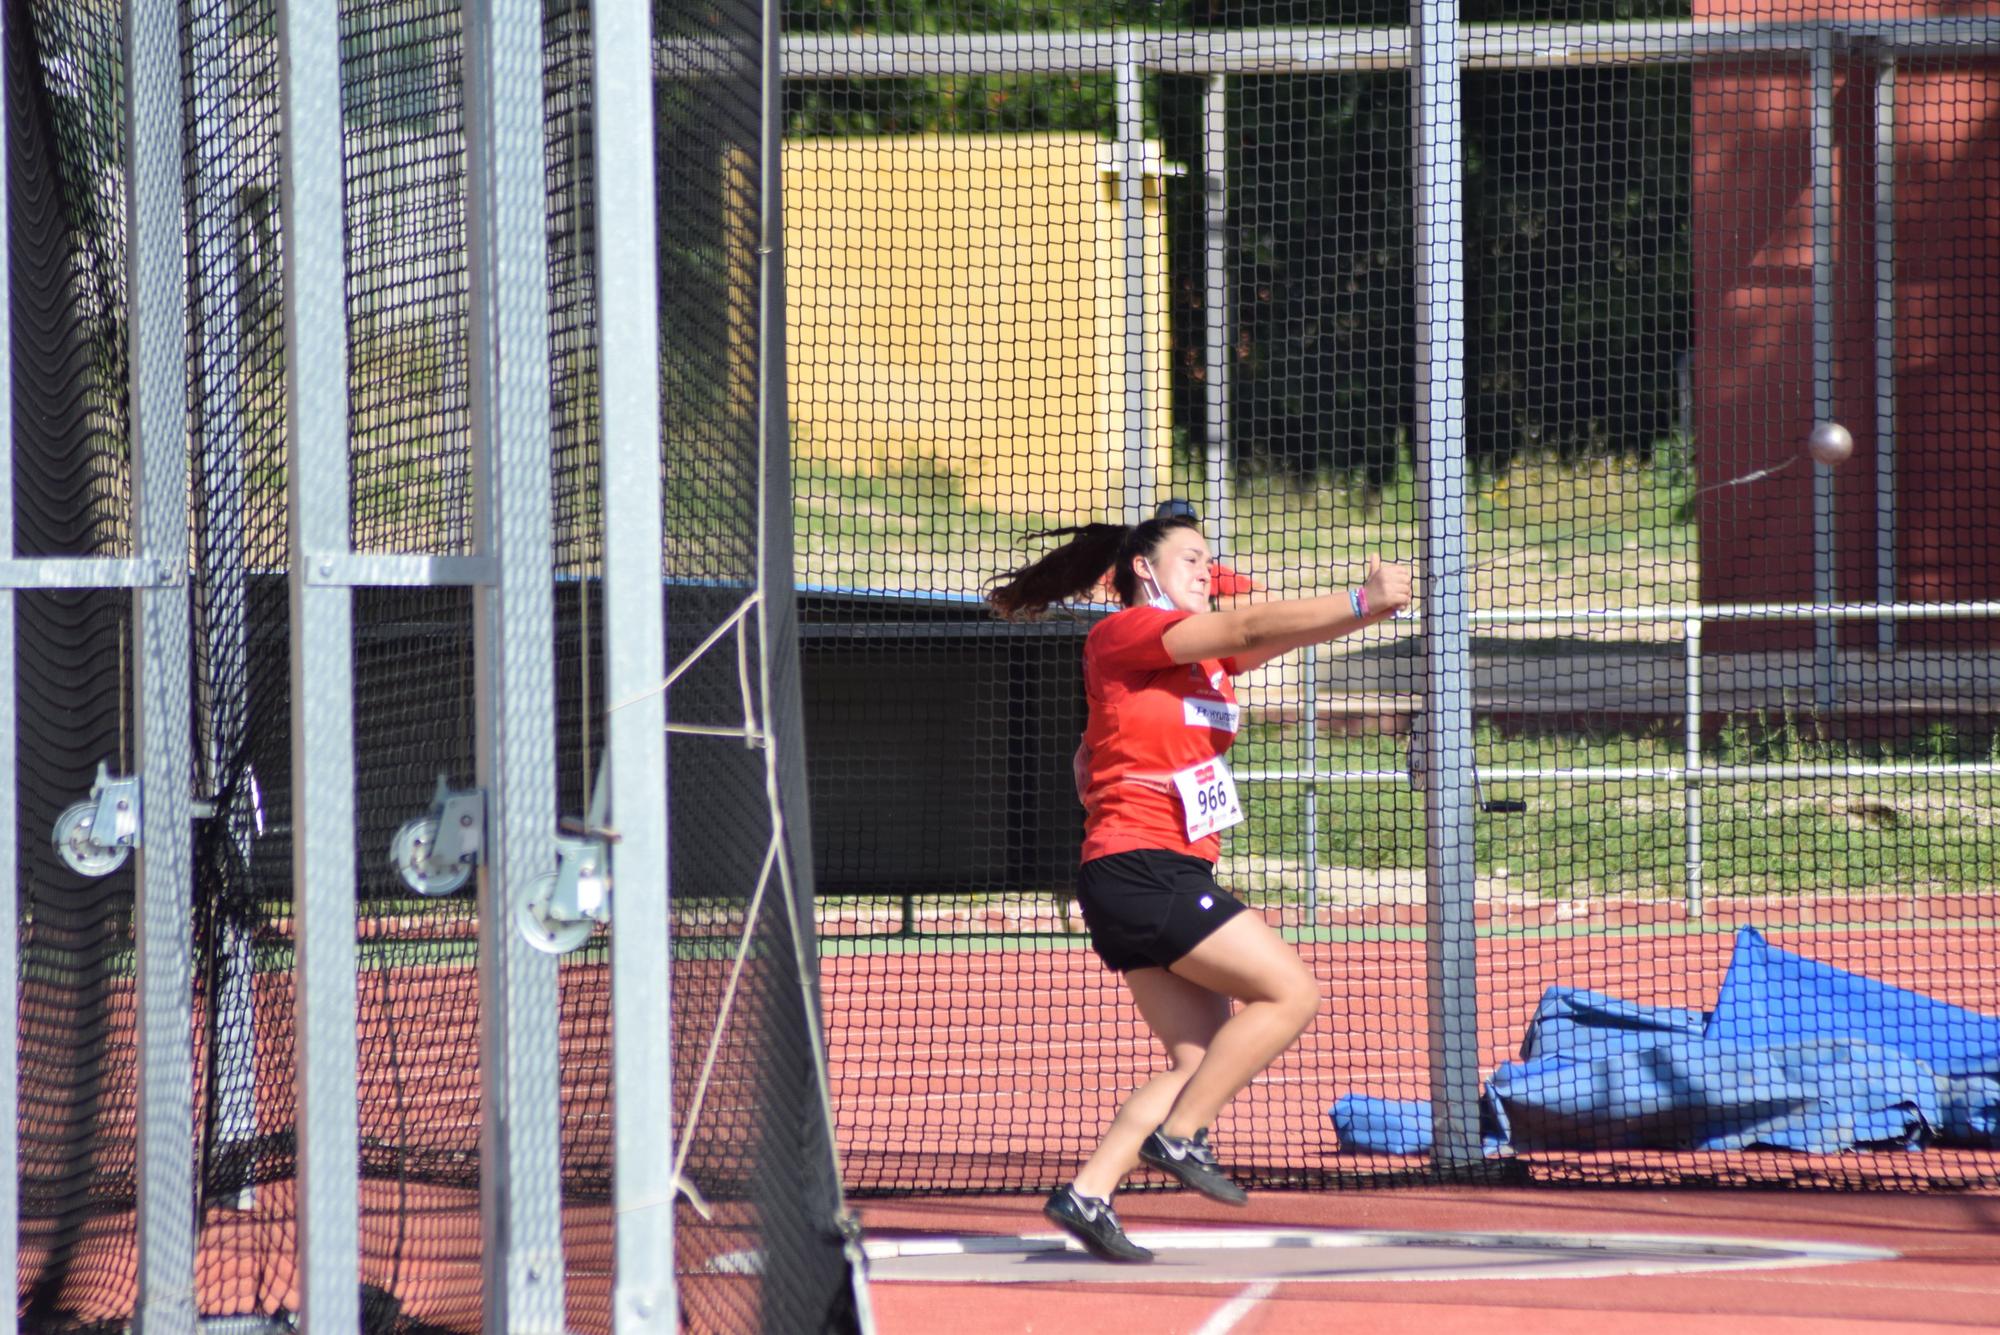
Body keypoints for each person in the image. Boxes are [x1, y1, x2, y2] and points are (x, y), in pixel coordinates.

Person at [986, 510, 1412, 1263]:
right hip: (1139, 866)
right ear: (1144, 570)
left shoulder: (1208, 657)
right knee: (1292, 993)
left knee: (1198, 1058)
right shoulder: (1124, 631)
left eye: (1210, 563)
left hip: (1161, 869)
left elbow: (1261, 620)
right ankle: (1180, 1137)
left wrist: (1356, 608)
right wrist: (1360, 600)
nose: (1207, 573)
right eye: (1190, 559)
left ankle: (1088, 1191)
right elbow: (1247, 626)